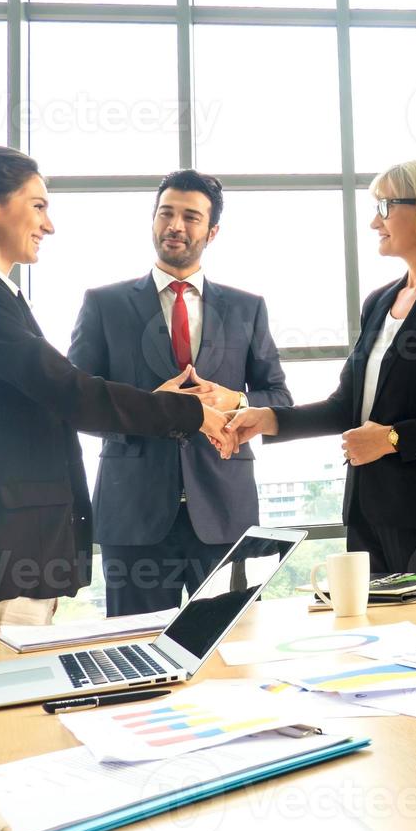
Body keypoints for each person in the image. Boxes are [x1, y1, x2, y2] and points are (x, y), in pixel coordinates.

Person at [0, 146, 234, 647]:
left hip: (3, 559)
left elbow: (52, 393)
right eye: (37, 206)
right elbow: (69, 391)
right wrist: (189, 411)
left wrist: (153, 402)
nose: (47, 225)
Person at [226, 158, 416, 579]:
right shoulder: (380, 302)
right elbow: (348, 407)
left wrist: (394, 439)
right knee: (381, 645)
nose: (374, 222)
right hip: (367, 516)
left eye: (385, 207)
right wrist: (267, 419)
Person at [68, 170, 292, 617]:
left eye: (191, 217)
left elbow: (279, 399)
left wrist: (236, 400)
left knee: (237, 652)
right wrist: (149, 405)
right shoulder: (103, 304)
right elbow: (76, 403)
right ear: (152, 220)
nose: (175, 225)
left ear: (212, 231)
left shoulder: (248, 308)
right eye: (166, 213)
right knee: (137, 660)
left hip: (225, 512)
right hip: (133, 512)